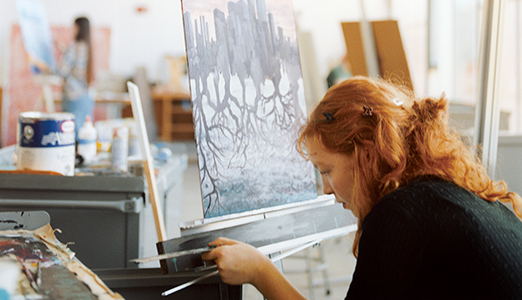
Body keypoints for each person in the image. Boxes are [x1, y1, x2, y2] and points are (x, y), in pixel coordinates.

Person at [201, 76, 522, 299]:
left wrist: (260, 271)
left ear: (367, 153)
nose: (326, 189)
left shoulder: (401, 213)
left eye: (326, 170)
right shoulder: (449, 193)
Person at [58, 16, 94, 138]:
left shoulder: (74, 46)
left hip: (73, 96)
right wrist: (65, 50)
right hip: (86, 96)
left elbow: (62, 71)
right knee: (84, 134)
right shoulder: (88, 47)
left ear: (78, 28)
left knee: (70, 134)